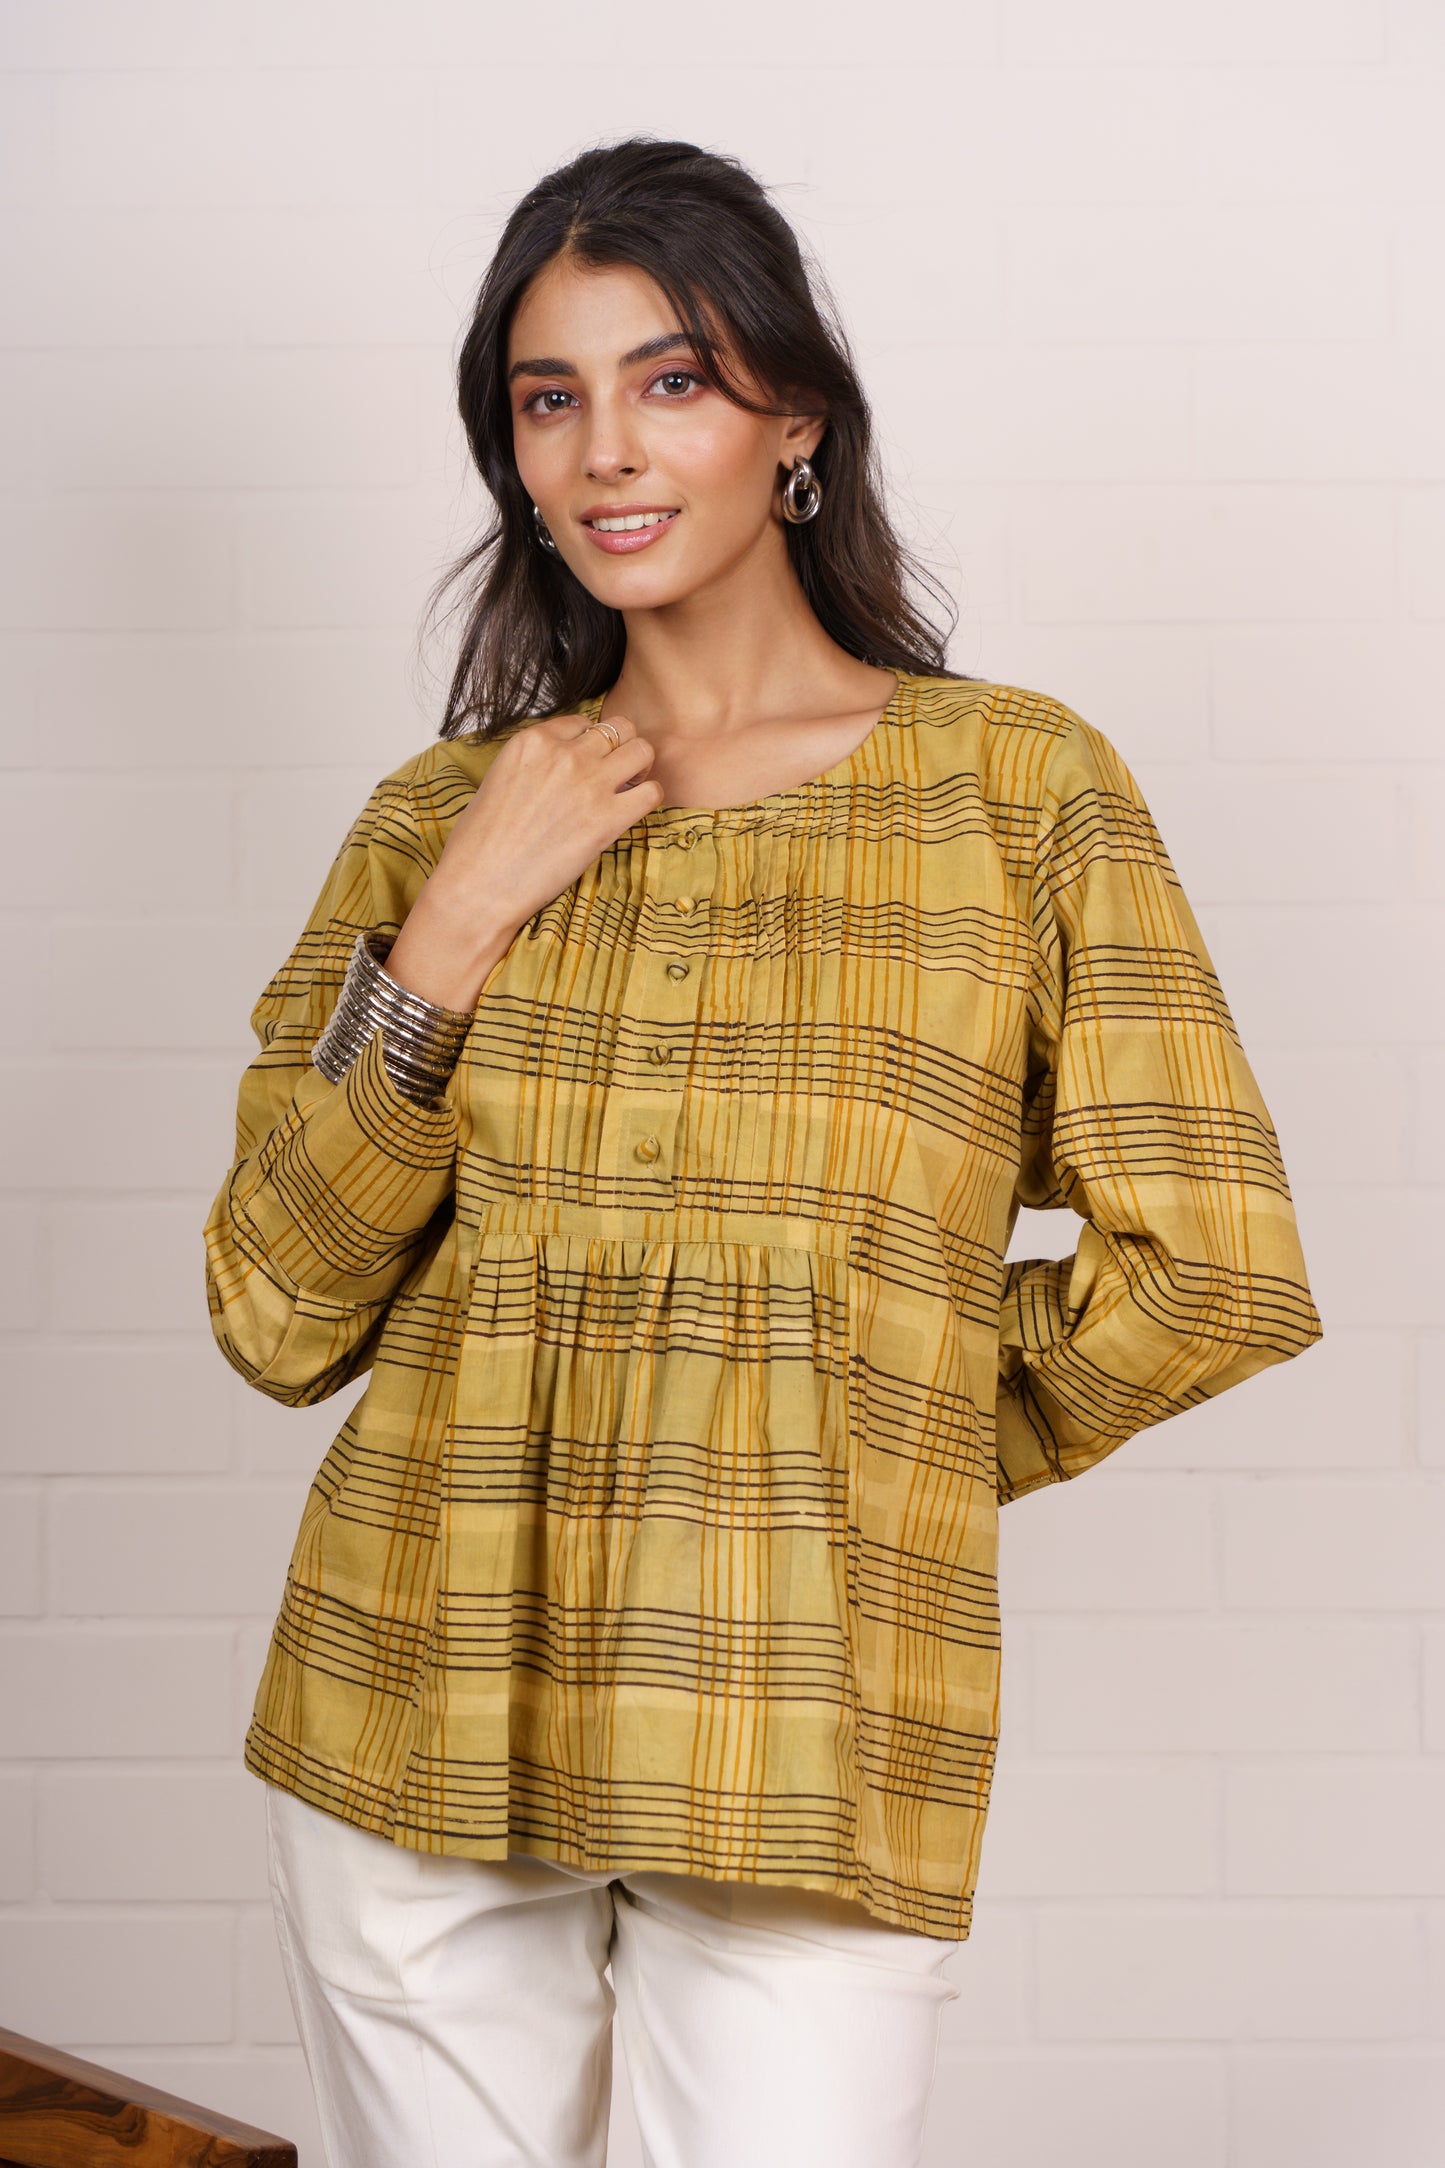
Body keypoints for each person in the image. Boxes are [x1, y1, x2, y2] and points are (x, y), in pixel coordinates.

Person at [202, 137, 1324, 2168]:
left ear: (793, 417)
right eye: (549, 399)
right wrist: (457, 922)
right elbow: (277, 1310)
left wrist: (874, 1433)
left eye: (673, 381)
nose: (606, 452)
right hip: (413, 1697)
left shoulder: (1013, 790)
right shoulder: (446, 813)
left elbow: (1214, 1267)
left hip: (806, 1725)